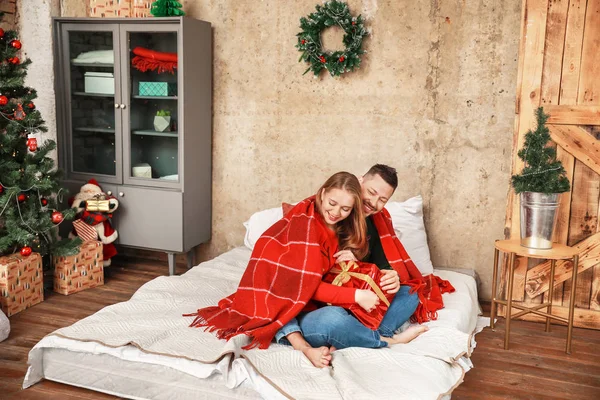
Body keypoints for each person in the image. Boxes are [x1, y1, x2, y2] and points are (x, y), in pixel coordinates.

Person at [276, 165, 454, 368]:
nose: (374, 203)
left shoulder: (370, 221)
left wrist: (390, 276)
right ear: (359, 182)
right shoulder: (316, 221)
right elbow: (288, 288)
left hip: (358, 305)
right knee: (334, 319)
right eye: (371, 192)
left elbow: (382, 266)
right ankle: (384, 339)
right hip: (320, 310)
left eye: (383, 200)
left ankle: (355, 337)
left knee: (411, 293)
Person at [184, 171, 370, 352]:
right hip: (280, 295)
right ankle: (301, 344)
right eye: (332, 203)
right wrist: (356, 296)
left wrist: (353, 256)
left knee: (394, 297)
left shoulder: (341, 230)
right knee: (301, 305)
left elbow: (327, 276)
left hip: (304, 300)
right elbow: (303, 287)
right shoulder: (305, 226)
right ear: (322, 193)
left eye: (345, 209)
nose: (336, 212)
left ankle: (359, 335)